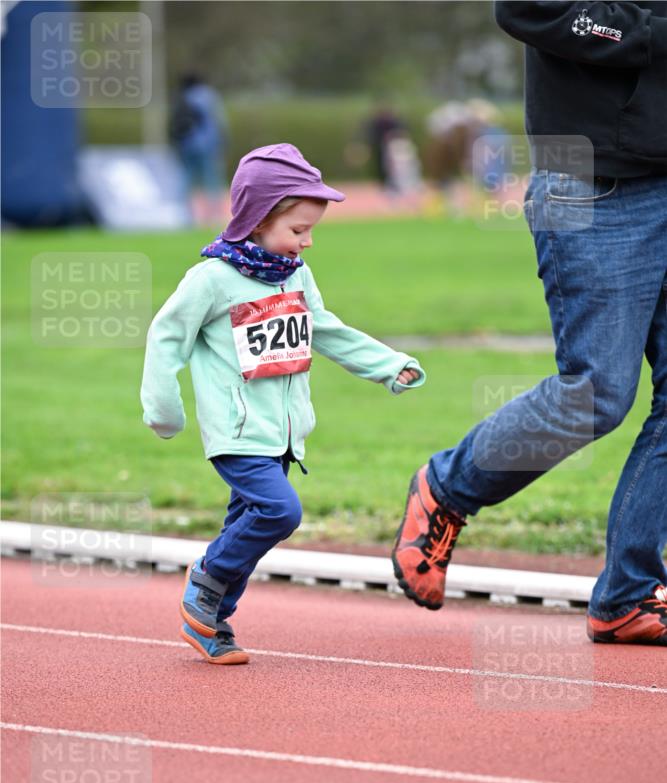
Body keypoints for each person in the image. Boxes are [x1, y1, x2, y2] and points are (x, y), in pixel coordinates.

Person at [393, 1, 667, 646]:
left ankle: (628, 593)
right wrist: (651, 35)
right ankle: (448, 487)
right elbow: (526, 7)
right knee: (596, 395)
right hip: (595, 186)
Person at [141, 143, 425, 664]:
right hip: (237, 433)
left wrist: (388, 365)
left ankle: (212, 623)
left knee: (244, 528)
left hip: (284, 435)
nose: (307, 241)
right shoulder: (212, 280)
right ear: (257, 219)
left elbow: (326, 330)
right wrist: (164, 409)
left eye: (311, 230)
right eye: (298, 230)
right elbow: (166, 337)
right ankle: (205, 578)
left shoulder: (295, 275)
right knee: (279, 511)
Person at [169, 73, 227, 225]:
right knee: (212, 179)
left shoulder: (182, 96)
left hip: (186, 144)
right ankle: (215, 215)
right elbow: (219, 121)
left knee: (187, 178)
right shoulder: (208, 96)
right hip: (208, 144)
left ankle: (184, 214)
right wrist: (223, 142)